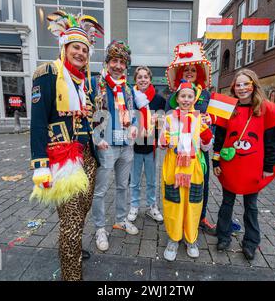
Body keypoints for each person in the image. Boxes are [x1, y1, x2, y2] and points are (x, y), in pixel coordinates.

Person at [29, 11, 103, 281]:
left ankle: (71, 248)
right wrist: (40, 165)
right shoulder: (47, 74)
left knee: (81, 213)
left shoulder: (87, 83)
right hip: (62, 158)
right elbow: (37, 123)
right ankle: (72, 275)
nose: (81, 53)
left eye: (84, 49)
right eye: (76, 47)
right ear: (64, 47)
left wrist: (98, 139)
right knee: (70, 222)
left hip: (88, 158)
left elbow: (87, 120)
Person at [212, 69, 275, 260]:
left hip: (253, 166)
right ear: (233, 88)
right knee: (226, 203)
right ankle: (223, 236)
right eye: (238, 85)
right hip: (230, 164)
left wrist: (268, 167)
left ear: (253, 85)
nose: (241, 88)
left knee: (251, 206)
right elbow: (219, 138)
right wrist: (215, 160)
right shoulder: (227, 108)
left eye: (245, 84)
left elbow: (271, 141)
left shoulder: (265, 109)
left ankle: (251, 242)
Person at [165, 41, 218, 236]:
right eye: (186, 69)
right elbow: (166, 123)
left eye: (193, 70)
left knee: (199, 188)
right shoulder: (173, 99)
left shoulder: (207, 95)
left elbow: (216, 118)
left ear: (199, 74)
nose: (189, 72)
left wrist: (208, 122)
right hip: (176, 153)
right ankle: (177, 228)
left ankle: (198, 219)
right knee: (175, 192)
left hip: (198, 152)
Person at [91, 40, 139, 252]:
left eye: (122, 62)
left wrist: (135, 126)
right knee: (100, 190)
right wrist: (95, 136)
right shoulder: (96, 84)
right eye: (114, 61)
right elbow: (85, 114)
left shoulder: (128, 90)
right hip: (106, 145)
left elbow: (134, 113)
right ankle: (100, 227)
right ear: (107, 62)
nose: (118, 66)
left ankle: (121, 219)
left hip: (126, 145)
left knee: (123, 186)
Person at [159, 81, 213, 261]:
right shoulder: (168, 118)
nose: (186, 99)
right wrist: (165, 140)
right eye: (183, 96)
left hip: (193, 167)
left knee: (193, 203)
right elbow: (160, 143)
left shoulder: (201, 119)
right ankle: (174, 239)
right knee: (173, 203)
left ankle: (191, 238)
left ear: (194, 99)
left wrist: (207, 137)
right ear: (177, 98)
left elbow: (206, 148)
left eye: (190, 96)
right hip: (173, 166)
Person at [127, 66, 165, 223]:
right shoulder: (130, 98)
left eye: (145, 77)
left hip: (151, 146)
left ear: (150, 79)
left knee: (151, 180)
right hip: (134, 146)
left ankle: (152, 206)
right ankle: (134, 206)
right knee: (134, 180)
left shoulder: (159, 99)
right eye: (139, 77)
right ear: (135, 80)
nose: (142, 79)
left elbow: (162, 124)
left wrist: (157, 127)